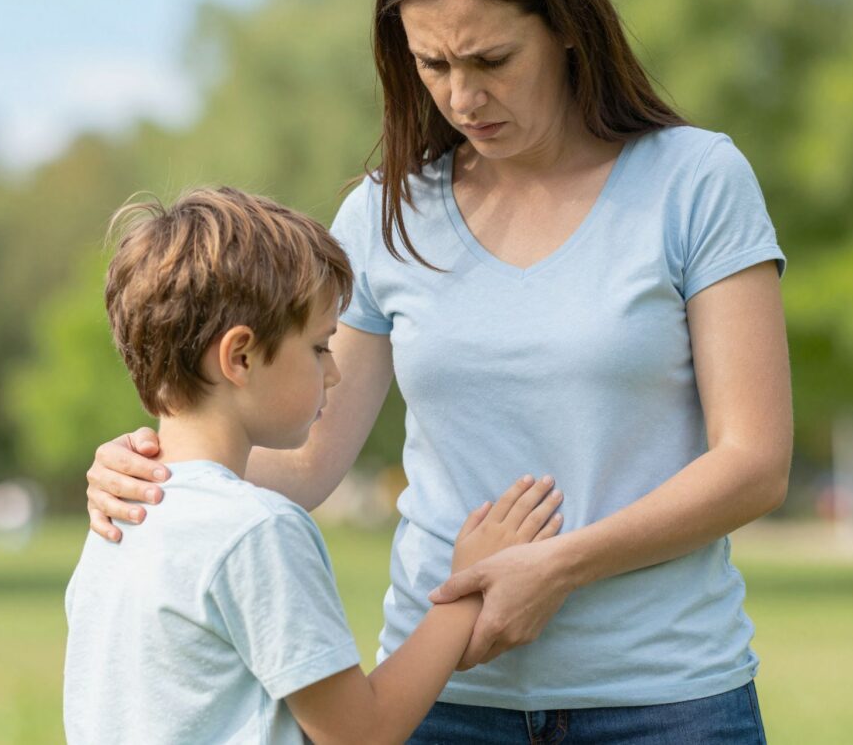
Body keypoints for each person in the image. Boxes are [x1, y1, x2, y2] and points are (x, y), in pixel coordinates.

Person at [84, 0, 792, 743]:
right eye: (432, 64)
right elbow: (307, 461)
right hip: (446, 705)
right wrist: (155, 464)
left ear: (568, 26)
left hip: (667, 698)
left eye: (492, 60)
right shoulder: (386, 214)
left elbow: (754, 462)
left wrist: (555, 568)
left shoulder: (695, 182)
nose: (461, 97)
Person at [64, 186, 564, 744]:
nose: (334, 373)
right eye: (320, 347)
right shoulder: (258, 531)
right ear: (241, 356)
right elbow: (361, 733)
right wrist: (471, 586)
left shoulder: (119, 523)